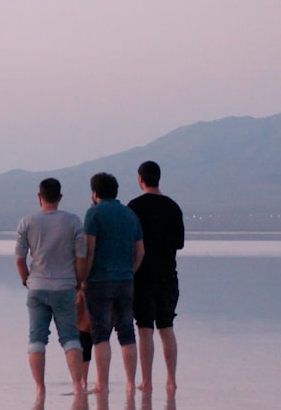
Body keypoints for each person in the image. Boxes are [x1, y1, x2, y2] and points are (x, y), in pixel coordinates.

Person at [16, 178, 87, 397]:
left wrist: (26, 280)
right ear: (60, 197)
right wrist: (78, 282)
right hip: (65, 286)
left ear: (40, 197)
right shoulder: (73, 221)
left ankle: (40, 388)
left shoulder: (27, 222)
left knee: (36, 338)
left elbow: (20, 259)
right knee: (70, 337)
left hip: (36, 287)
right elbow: (81, 257)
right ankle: (77, 385)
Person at [82, 172, 144, 393]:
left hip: (99, 280)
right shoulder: (130, 215)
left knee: (100, 333)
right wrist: (130, 271)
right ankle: (130, 383)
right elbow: (140, 251)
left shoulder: (93, 214)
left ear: (95, 193)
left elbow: (89, 250)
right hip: (126, 279)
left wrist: (83, 278)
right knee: (127, 332)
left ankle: (102, 384)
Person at [128, 161, 185, 393]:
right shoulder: (173, 207)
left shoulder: (134, 206)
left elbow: (131, 243)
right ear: (158, 178)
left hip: (142, 277)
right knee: (167, 327)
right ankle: (171, 380)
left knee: (144, 329)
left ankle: (147, 380)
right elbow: (179, 243)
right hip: (168, 276)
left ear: (140, 179)